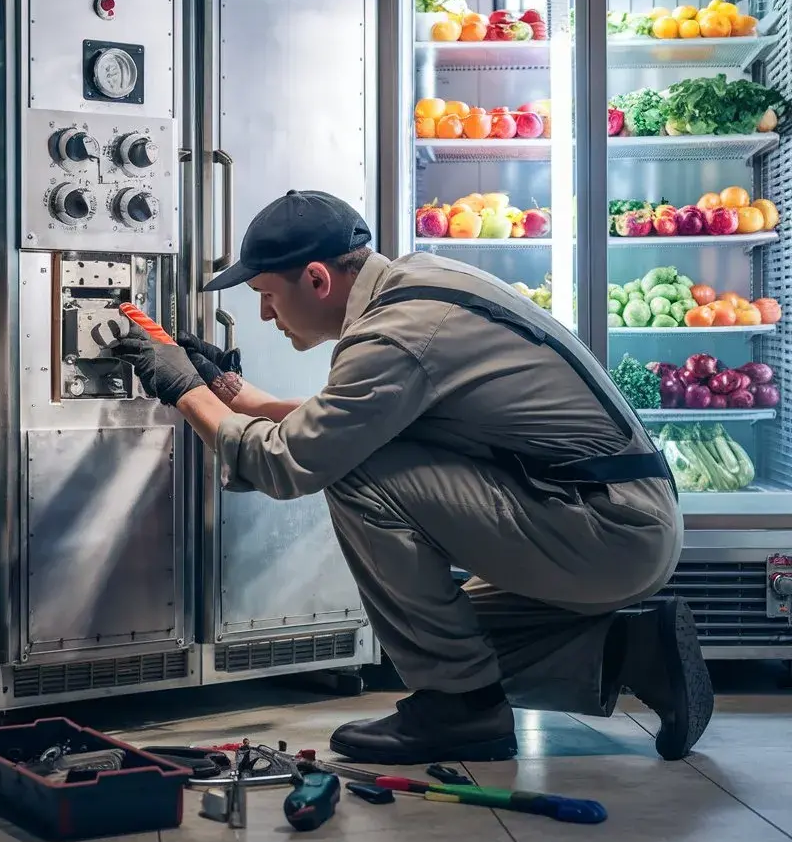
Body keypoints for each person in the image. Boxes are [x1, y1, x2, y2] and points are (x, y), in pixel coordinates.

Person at [112, 189, 713, 764]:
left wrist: (185, 391)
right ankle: (634, 652)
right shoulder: (412, 290)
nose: (265, 313)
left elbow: (292, 462)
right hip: (607, 515)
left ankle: (461, 710)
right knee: (444, 637)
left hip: (610, 532)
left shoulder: (395, 337)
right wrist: (233, 394)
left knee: (358, 481)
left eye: (267, 294)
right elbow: (358, 420)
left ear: (317, 279)